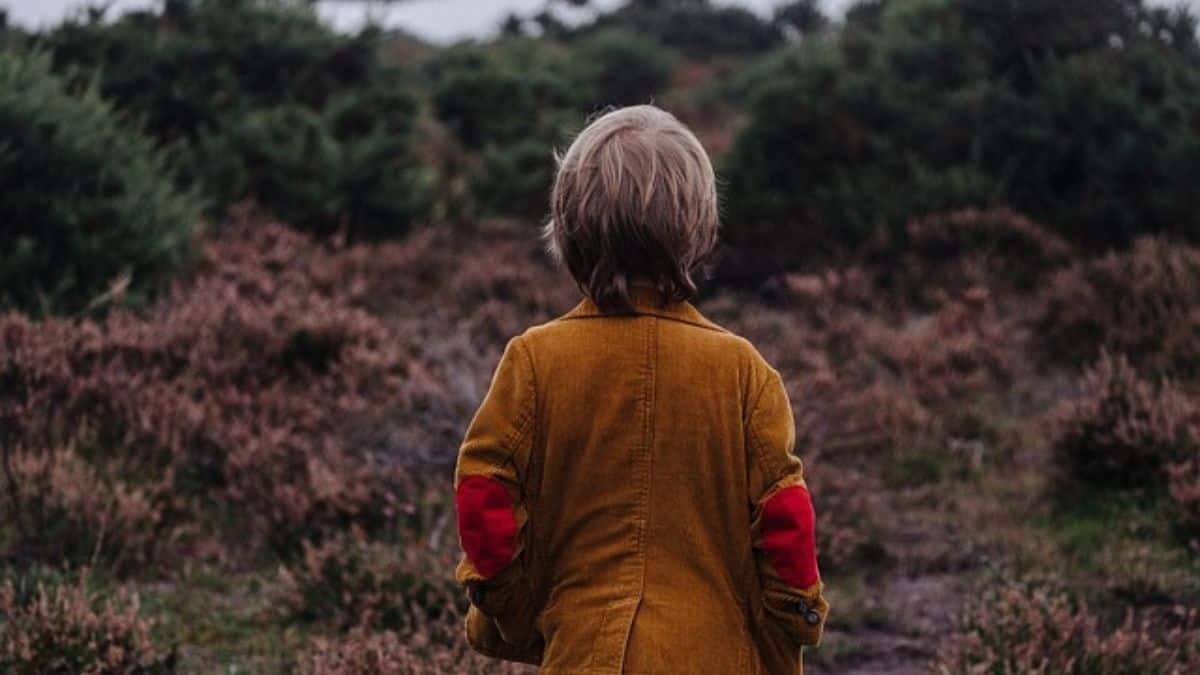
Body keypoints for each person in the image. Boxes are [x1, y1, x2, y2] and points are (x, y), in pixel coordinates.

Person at [454, 105, 829, 674]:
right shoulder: (744, 372)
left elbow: (484, 497)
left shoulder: (533, 361)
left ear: (568, 227)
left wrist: (516, 610)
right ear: (699, 228)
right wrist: (788, 630)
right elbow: (787, 526)